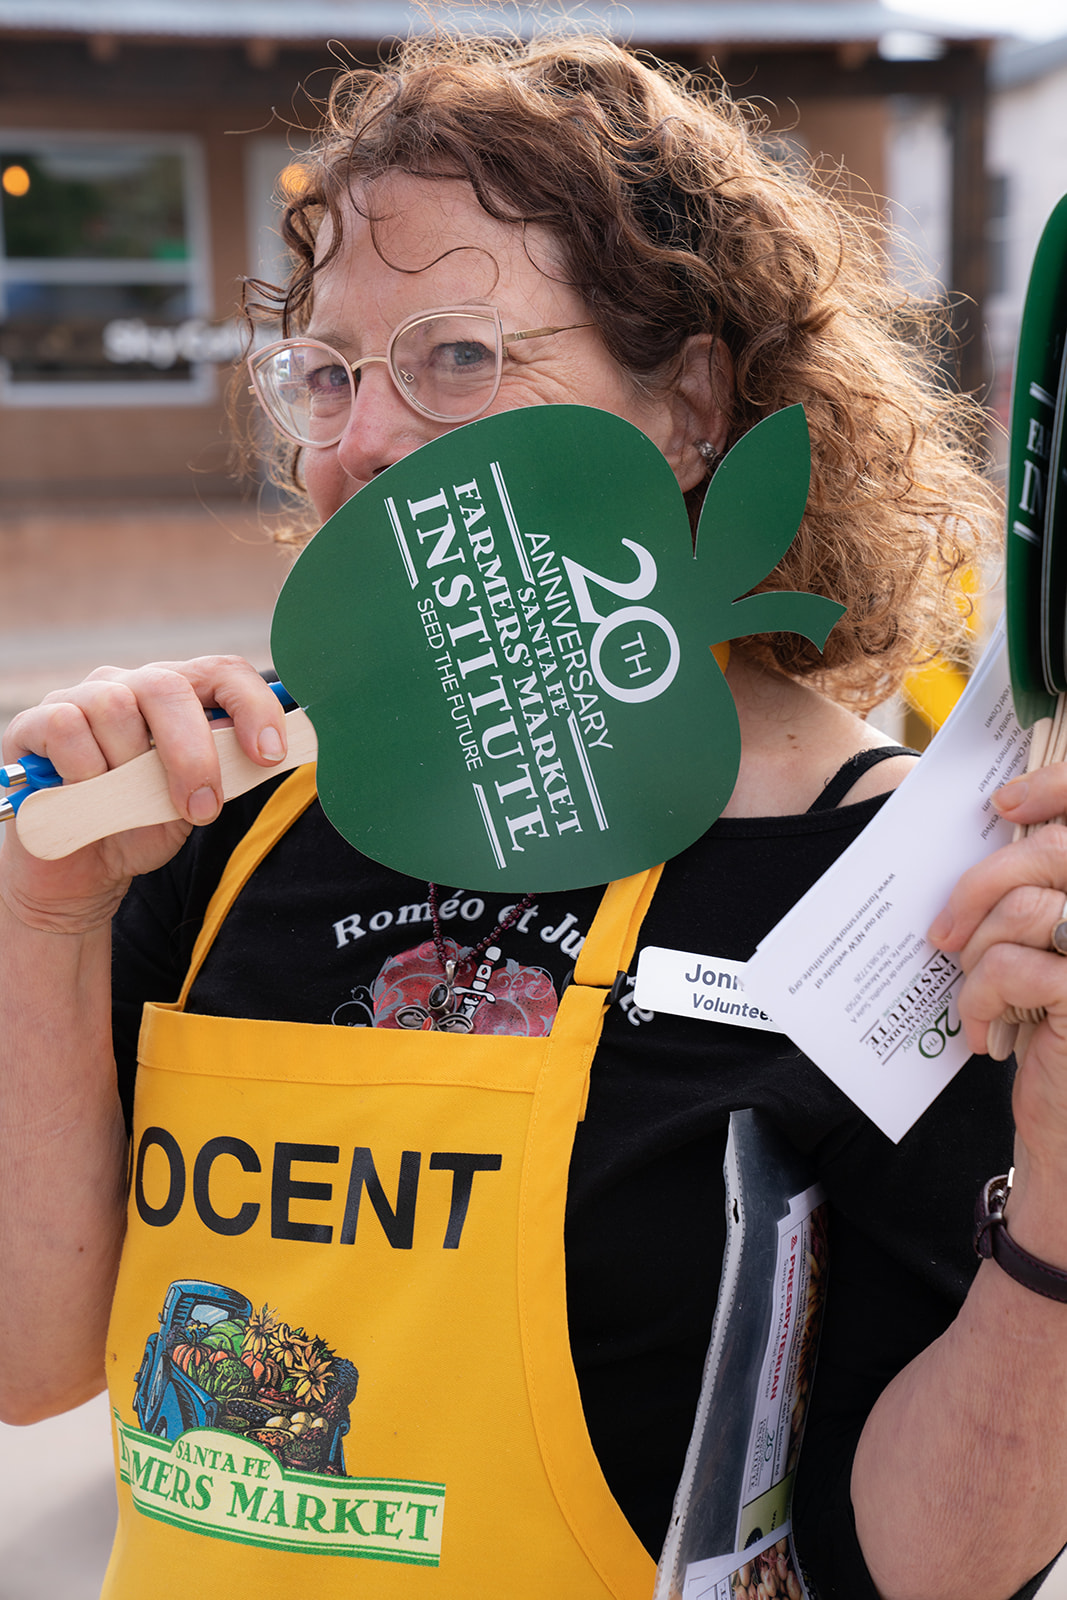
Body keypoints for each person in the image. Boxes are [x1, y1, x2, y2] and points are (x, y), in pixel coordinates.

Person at [0, 28, 1063, 1600]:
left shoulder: (901, 883)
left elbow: (925, 1569)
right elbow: (33, 1367)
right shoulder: (219, 827)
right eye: (331, 373)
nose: (358, 445)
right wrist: (45, 920)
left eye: (454, 358)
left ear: (694, 401)